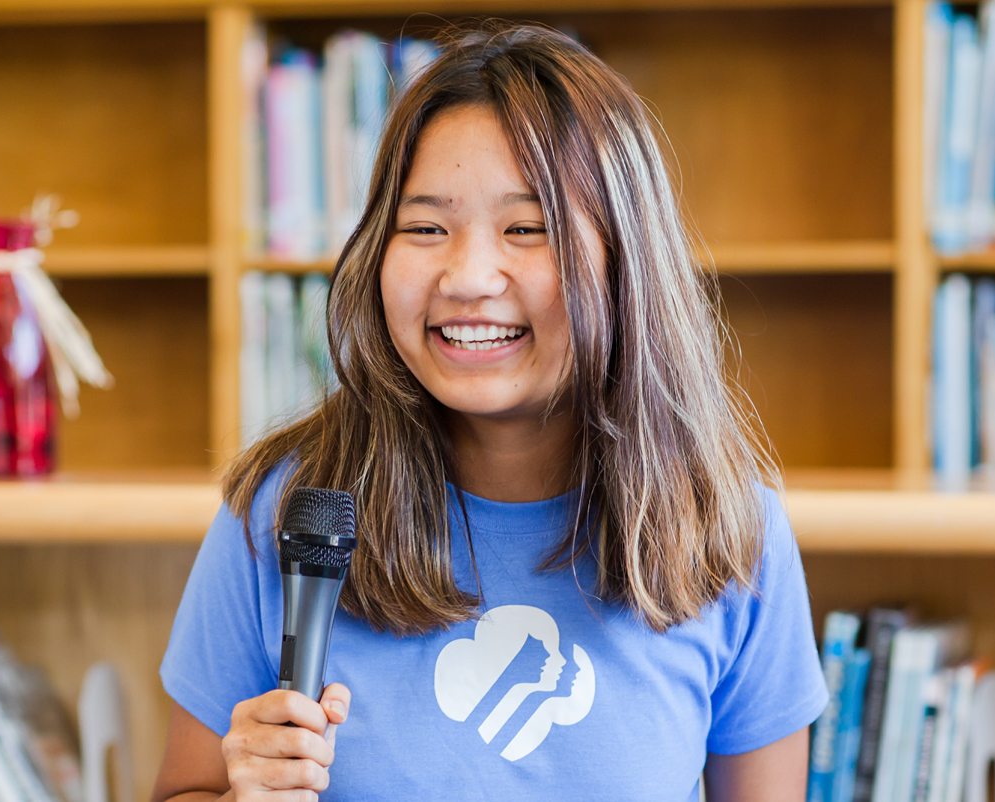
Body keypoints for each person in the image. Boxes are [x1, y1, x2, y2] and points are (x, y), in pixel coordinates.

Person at [153, 22, 826, 802]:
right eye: (426, 227)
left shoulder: (731, 531)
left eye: (527, 229)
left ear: (626, 263)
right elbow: (183, 790)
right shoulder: (286, 513)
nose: (468, 275)